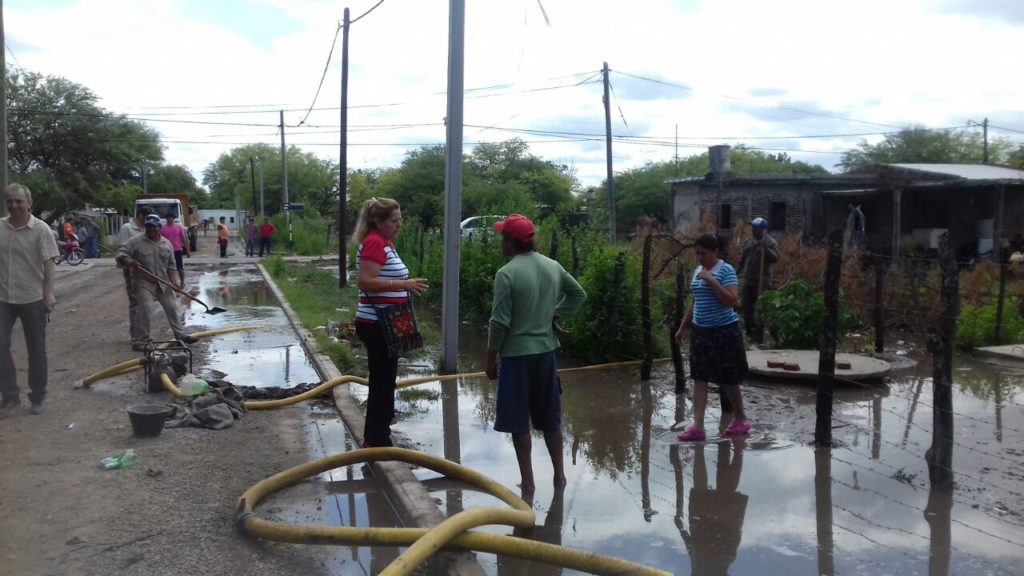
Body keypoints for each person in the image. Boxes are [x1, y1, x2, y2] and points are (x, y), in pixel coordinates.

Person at [486, 214, 587, 494]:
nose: (500, 243)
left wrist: (490, 356)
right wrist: (556, 314)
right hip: (546, 355)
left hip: (516, 358)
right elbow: (579, 294)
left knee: (519, 423)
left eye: (502, 238)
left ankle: (528, 482)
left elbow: (499, 322)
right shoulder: (552, 266)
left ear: (510, 242)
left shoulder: (506, 273)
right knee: (551, 419)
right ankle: (559, 477)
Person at [353, 198, 428, 447]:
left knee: (386, 380)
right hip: (377, 324)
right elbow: (365, 281)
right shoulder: (374, 242)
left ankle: (380, 433)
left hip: (386, 323)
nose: (399, 224)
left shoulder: (385, 243)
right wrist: (403, 284)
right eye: (394, 220)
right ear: (378, 222)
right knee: (382, 382)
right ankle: (375, 440)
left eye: (400, 219)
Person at [675, 234, 751, 441]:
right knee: (700, 378)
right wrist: (683, 327)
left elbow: (732, 300)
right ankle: (698, 427)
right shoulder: (698, 270)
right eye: (697, 253)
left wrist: (712, 280)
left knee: (728, 380)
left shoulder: (725, 270)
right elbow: (696, 301)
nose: (699, 258)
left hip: (724, 332)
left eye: (704, 253)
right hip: (701, 332)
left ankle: (741, 418)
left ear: (715, 252)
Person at [0, 184, 59, 416]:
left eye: (19, 201)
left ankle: (37, 397)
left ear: (29, 204)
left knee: (36, 349)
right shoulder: (0, 228)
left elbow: (49, 264)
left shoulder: (41, 230)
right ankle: (10, 397)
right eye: (10, 201)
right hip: (3, 297)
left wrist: (49, 293)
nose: (14, 205)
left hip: (32, 297)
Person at [116, 215, 197, 351]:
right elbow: (120, 255)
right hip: (143, 281)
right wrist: (129, 261)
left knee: (172, 308)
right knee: (145, 309)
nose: (151, 229)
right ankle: (141, 341)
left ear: (159, 228)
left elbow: (171, 266)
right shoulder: (135, 242)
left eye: (154, 227)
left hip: (163, 282)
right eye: (148, 227)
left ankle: (181, 336)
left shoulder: (166, 244)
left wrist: (174, 281)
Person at [681, 440, 748, 576]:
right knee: (713, 496)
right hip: (707, 550)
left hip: (715, 550)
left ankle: (736, 448)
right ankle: (703, 447)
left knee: (722, 496)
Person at [737, 217, 779, 344]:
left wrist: (765, 250)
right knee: (745, 306)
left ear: (763, 229)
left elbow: (775, 258)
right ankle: (750, 330)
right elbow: (743, 259)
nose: (753, 230)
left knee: (759, 309)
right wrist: (736, 273)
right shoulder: (749, 242)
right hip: (748, 280)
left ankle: (758, 335)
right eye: (753, 227)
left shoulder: (770, 243)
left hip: (762, 281)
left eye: (756, 228)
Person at [116, 208, 151, 347]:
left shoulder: (146, 230)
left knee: (145, 303)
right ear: (141, 216)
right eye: (146, 219)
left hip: (145, 270)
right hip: (131, 270)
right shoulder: (127, 228)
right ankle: (136, 336)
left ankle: (142, 334)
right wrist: (130, 264)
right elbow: (123, 251)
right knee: (135, 302)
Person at [160, 213, 191, 286]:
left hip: (177, 250)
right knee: (168, 268)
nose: (170, 219)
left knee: (180, 268)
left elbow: (183, 239)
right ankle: (171, 282)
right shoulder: (162, 228)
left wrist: (187, 251)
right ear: (166, 219)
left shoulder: (179, 227)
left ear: (174, 219)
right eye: (168, 218)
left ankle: (182, 282)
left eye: (171, 218)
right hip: (166, 250)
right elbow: (160, 240)